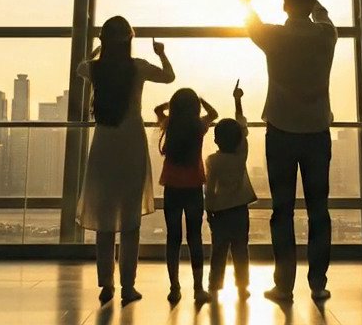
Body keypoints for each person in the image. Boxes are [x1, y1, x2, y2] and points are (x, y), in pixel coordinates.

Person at [238, 0, 336, 303]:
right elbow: (323, 16)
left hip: (280, 132)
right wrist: (317, 6)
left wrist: (247, 0)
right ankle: (318, 283)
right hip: (317, 132)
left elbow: (250, 22)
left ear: (284, 6)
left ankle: (284, 286)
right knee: (318, 211)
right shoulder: (326, 36)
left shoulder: (274, 36)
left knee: (283, 211)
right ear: (311, 5)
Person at [76, 16, 176, 306]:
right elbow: (169, 77)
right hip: (131, 141)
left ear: (104, 41)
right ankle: (128, 285)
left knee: (105, 219)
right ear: (129, 40)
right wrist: (162, 54)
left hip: (104, 144)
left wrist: (99, 50)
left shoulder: (93, 69)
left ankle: (105, 284)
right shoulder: (139, 67)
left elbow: (81, 65)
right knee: (130, 220)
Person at [154, 88, 218, 305]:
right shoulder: (198, 126)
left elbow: (156, 109)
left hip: (171, 186)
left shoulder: (170, 124)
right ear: (195, 108)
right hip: (193, 187)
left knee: (173, 237)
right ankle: (198, 289)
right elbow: (214, 113)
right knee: (194, 238)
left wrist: (169, 106)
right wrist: (202, 100)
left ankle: (174, 288)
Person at [205, 81, 257, 299]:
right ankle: (242, 287)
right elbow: (242, 127)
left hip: (220, 212)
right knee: (240, 250)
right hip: (240, 211)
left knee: (218, 251)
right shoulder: (240, 155)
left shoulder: (213, 161)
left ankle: (215, 286)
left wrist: (209, 210)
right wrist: (237, 101)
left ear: (216, 139)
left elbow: (209, 189)